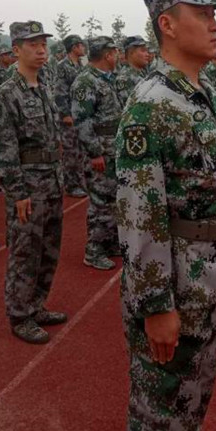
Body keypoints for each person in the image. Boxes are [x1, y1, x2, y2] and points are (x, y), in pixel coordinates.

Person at [116, 0, 216, 431]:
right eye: (203, 14)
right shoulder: (151, 104)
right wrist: (155, 306)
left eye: (215, 14)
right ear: (167, 25)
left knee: (189, 403)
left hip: (207, 280)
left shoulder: (199, 91)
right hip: (177, 290)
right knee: (160, 420)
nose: (215, 25)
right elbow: (139, 215)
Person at [0, 21, 66, 344]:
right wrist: (17, 192)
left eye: (43, 44)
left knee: (48, 249)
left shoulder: (44, 86)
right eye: (33, 45)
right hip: (28, 187)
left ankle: (36, 305)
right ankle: (20, 314)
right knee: (25, 252)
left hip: (52, 181)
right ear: (16, 50)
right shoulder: (6, 94)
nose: (40, 50)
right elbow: (4, 148)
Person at [72, 36, 123, 270]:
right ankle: (94, 250)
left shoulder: (106, 78)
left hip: (112, 149)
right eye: (115, 52)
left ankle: (109, 242)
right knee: (100, 202)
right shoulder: (85, 82)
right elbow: (82, 120)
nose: (117, 56)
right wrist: (94, 153)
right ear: (107, 55)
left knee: (112, 199)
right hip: (100, 151)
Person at [55, 34, 88, 198]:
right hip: (69, 116)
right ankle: (71, 185)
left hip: (80, 115)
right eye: (81, 45)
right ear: (74, 47)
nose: (84, 48)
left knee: (80, 151)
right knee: (70, 152)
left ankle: (79, 182)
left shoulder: (80, 65)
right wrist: (65, 114)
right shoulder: (63, 66)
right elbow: (60, 92)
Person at [115, 35, 148, 105]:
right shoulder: (125, 79)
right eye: (143, 50)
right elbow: (131, 106)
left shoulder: (142, 71)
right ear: (131, 53)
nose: (147, 54)